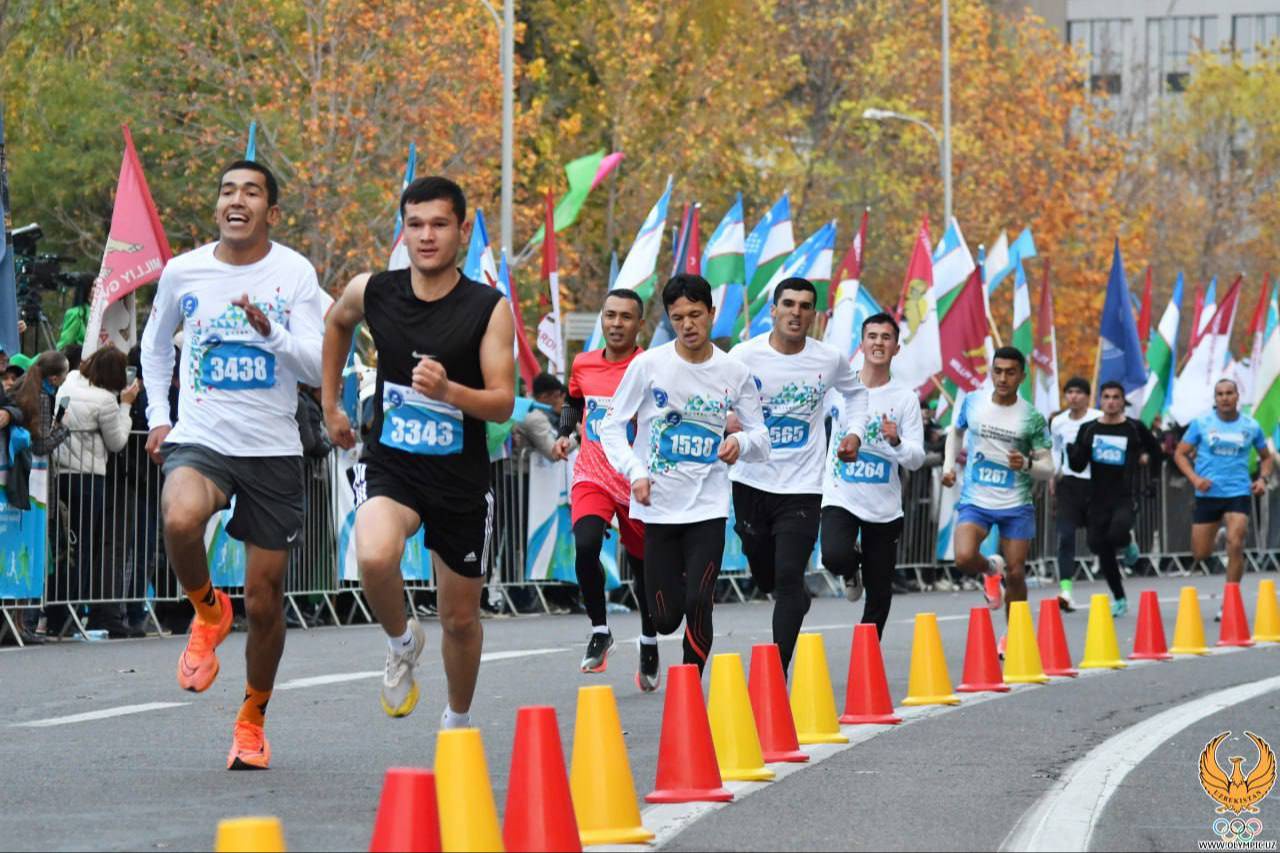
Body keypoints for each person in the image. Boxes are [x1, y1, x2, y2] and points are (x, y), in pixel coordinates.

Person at [141, 159, 326, 770]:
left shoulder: (294, 272)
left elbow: (315, 365)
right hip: (204, 436)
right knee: (179, 517)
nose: (236, 200)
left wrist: (272, 333)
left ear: (271, 211)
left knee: (266, 600)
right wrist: (160, 416)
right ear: (217, 206)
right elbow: (154, 346)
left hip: (273, 449)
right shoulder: (183, 271)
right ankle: (208, 610)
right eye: (227, 190)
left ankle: (251, 721)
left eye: (251, 191)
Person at [321, 176, 515, 730]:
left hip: (460, 481)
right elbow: (336, 323)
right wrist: (330, 405)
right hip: (394, 466)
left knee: (460, 620)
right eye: (415, 225)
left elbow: (503, 402)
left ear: (461, 231)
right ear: (403, 231)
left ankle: (457, 720)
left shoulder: (488, 308)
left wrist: (449, 391)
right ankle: (401, 642)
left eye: (439, 224)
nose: (427, 236)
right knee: (374, 555)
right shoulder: (374, 290)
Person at [600, 273, 769, 673]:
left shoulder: (734, 371)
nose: (688, 325)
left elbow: (761, 438)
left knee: (699, 600)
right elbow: (611, 426)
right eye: (678, 318)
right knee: (664, 618)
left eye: (695, 315)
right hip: (658, 508)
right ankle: (664, 611)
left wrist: (739, 442)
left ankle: (688, 687)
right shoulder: (648, 365)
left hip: (708, 508)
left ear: (712, 313)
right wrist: (635, 470)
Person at [727, 277, 866, 670]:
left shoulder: (829, 359)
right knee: (766, 577)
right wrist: (727, 420)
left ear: (814, 315)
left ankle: (775, 672)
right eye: (788, 304)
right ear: (773, 310)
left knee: (789, 575)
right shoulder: (743, 355)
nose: (796, 312)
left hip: (803, 485)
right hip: (752, 480)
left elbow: (856, 394)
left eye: (805, 306)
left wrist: (854, 433)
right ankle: (794, 596)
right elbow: (713, 398)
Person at [551, 288, 659, 685]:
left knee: (643, 567)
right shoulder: (584, 363)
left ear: (639, 324)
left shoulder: (650, 366)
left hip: (634, 479)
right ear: (602, 318)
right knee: (585, 545)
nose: (616, 324)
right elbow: (574, 401)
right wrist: (565, 434)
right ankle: (600, 630)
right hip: (592, 474)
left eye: (625, 317)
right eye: (610, 315)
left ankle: (649, 638)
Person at [941, 347, 1052, 653]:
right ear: (991, 372)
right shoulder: (974, 402)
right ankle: (991, 569)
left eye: (1010, 372)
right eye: (998, 371)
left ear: (1022, 376)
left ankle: (1013, 633)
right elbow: (956, 433)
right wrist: (949, 467)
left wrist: (1027, 464)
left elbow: (1048, 468)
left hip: (1015, 504)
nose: (1003, 378)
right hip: (976, 499)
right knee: (964, 558)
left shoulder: (1031, 418)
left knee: (1016, 572)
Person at [820, 312, 924, 639]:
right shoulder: (839, 389)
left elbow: (917, 458)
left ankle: (865, 655)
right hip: (840, 494)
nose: (879, 343)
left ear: (896, 348)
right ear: (862, 344)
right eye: (872, 337)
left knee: (879, 591)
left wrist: (896, 442)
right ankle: (851, 569)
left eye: (886, 337)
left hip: (884, 507)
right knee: (834, 556)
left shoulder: (905, 399)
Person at [53, 344, 142, 637]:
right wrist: (125, 405)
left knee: (63, 546)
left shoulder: (69, 382)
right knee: (84, 549)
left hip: (61, 474)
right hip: (89, 478)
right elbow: (117, 441)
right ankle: (71, 611)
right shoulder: (105, 400)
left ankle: (56, 614)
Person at [1173, 378, 1272, 617]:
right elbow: (1180, 454)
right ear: (1215, 399)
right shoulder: (1202, 423)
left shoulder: (1251, 425)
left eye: (1229, 393)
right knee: (1200, 553)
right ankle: (1218, 532)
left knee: (1236, 543)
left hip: (1238, 491)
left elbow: (1266, 457)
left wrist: (1262, 479)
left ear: (1237, 396)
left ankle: (1230, 600)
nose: (1225, 398)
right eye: (1220, 394)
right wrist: (1195, 479)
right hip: (1208, 493)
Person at [1064, 381, 1162, 617]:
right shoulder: (1089, 429)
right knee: (1098, 545)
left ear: (1122, 402)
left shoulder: (1134, 428)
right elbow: (1078, 465)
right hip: (1097, 497)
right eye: (1106, 397)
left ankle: (1128, 542)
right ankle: (1119, 598)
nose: (1111, 402)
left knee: (1117, 533)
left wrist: (1153, 479)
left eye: (1116, 397)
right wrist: (1071, 452)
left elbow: (1156, 450)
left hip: (1125, 495)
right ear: (1100, 400)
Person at [1047, 376, 1100, 612]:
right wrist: (1053, 475)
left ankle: (1128, 542)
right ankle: (1066, 591)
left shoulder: (1098, 418)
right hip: (1069, 484)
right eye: (1070, 392)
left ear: (1087, 396)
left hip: (1097, 483)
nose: (1074, 396)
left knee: (1099, 538)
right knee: (1066, 536)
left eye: (1079, 392)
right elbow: (1055, 450)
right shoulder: (1058, 422)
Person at [514, 373, 574, 461]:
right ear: (544, 397)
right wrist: (579, 437)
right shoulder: (534, 417)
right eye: (557, 396)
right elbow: (555, 452)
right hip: (528, 468)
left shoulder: (543, 414)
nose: (560, 400)